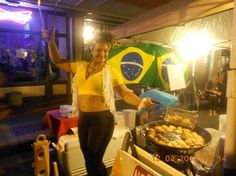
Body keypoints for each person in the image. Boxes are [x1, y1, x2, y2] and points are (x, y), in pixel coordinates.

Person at [42, 27, 153, 176]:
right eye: (99, 50)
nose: (103, 54)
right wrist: (50, 42)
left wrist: (141, 102)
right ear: (91, 50)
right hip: (83, 119)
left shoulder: (110, 71)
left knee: (94, 158)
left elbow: (125, 93)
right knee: (88, 157)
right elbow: (58, 60)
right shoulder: (80, 66)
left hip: (102, 120)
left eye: (106, 51)